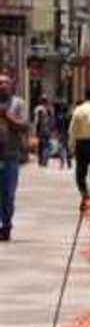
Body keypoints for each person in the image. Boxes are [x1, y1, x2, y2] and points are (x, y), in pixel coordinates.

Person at [0, 74, 28, 241]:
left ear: (11, 86)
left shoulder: (18, 104)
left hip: (10, 155)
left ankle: (6, 224)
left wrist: (6, 117)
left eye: (5, 83)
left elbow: (24, 126)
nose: (2, 86)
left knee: (8, 193)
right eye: (0, 83)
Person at [32, 97, 51, 168]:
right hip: (45, 129)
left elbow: (36, 121)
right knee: (45, 145)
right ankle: (44, 161)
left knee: (41, 145)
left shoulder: (38, 109)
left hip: (41, 129)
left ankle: (41, 161)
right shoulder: (45, 109)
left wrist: (35, 130)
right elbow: (49, 120)